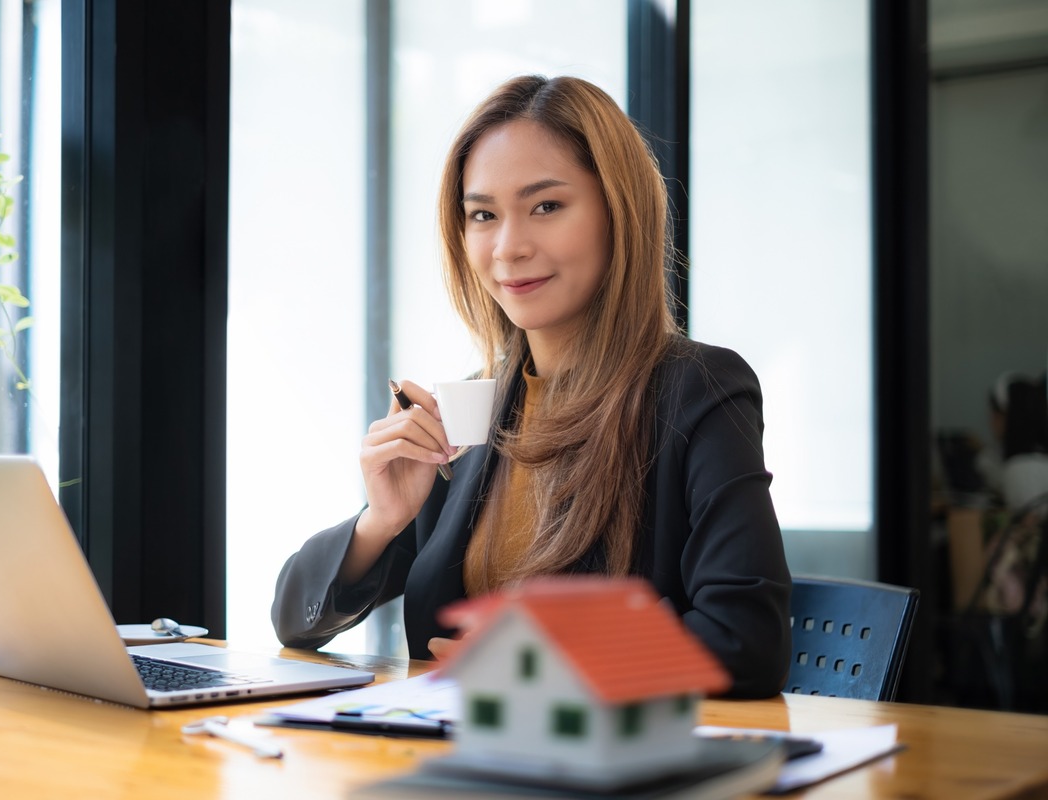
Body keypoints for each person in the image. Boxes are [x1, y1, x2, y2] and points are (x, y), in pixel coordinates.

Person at [272, 75, 791, 698]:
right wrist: (379, 523)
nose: (509, 247)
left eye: (546, 206)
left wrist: (535, 668)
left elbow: (747, 643)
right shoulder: (473, 411)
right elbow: (293, 624)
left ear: (617, 212)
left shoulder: (699, 391)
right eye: (483, 215)